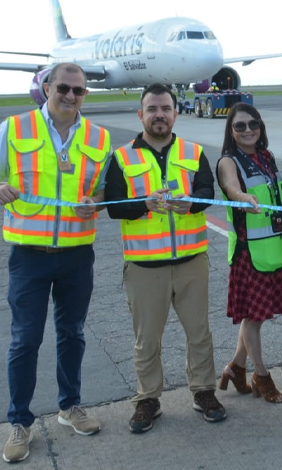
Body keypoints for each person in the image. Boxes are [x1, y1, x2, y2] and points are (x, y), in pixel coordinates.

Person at [0, 62, 110, 463]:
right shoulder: (16, 128)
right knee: (25, 340)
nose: (70, 96)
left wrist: (94, 204)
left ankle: (70, 407)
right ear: (46, 87)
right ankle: (20, 422)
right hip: (28, 256)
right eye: (63, 88)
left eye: (79, 90)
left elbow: (102, 188)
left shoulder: (98, 137)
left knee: (73, 333)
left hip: (76, 254)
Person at [104, 83, 225, 433]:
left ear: (175, 112)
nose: (159, 114)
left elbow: (207, 192)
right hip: (145, 267)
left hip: (191, 260)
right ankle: (148, 399)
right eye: (152, 109)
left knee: (199, 333)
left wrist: (193, 201)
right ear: (141, 114)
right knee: (147, 339)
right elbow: (112, 206)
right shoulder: (123, 156)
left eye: (166, 108)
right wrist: (143, 204)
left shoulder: (192, 151)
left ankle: (203, 392)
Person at [216, 102, 282, 404]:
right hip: (249, 252)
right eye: (240, 126)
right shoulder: (228, 161)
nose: (248, 130)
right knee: (253, 317)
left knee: (255, 318)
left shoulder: (266, 157)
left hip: (273, 249)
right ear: (231, 132)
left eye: (253, 124)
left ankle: (236, 367)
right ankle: (261, 376)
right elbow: (232, 188)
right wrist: (240, 197)